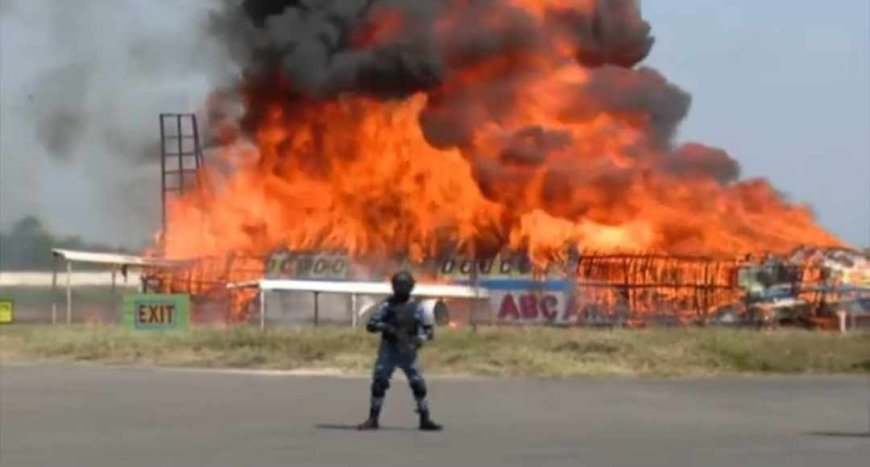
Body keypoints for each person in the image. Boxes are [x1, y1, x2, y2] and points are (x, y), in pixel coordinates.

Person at [357, 270, 443, 431]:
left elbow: (428, 330)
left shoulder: (418, 307)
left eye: (404, 285)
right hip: (389, 349)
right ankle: (373, 418)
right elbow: (371, 324)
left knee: (418, 385)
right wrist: (387, 328)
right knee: (379, 383)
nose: (401, 288)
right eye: (398, 285)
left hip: (409, 351)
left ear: (411, 287)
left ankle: (425, 418)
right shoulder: (386, 305)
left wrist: (418, 340)